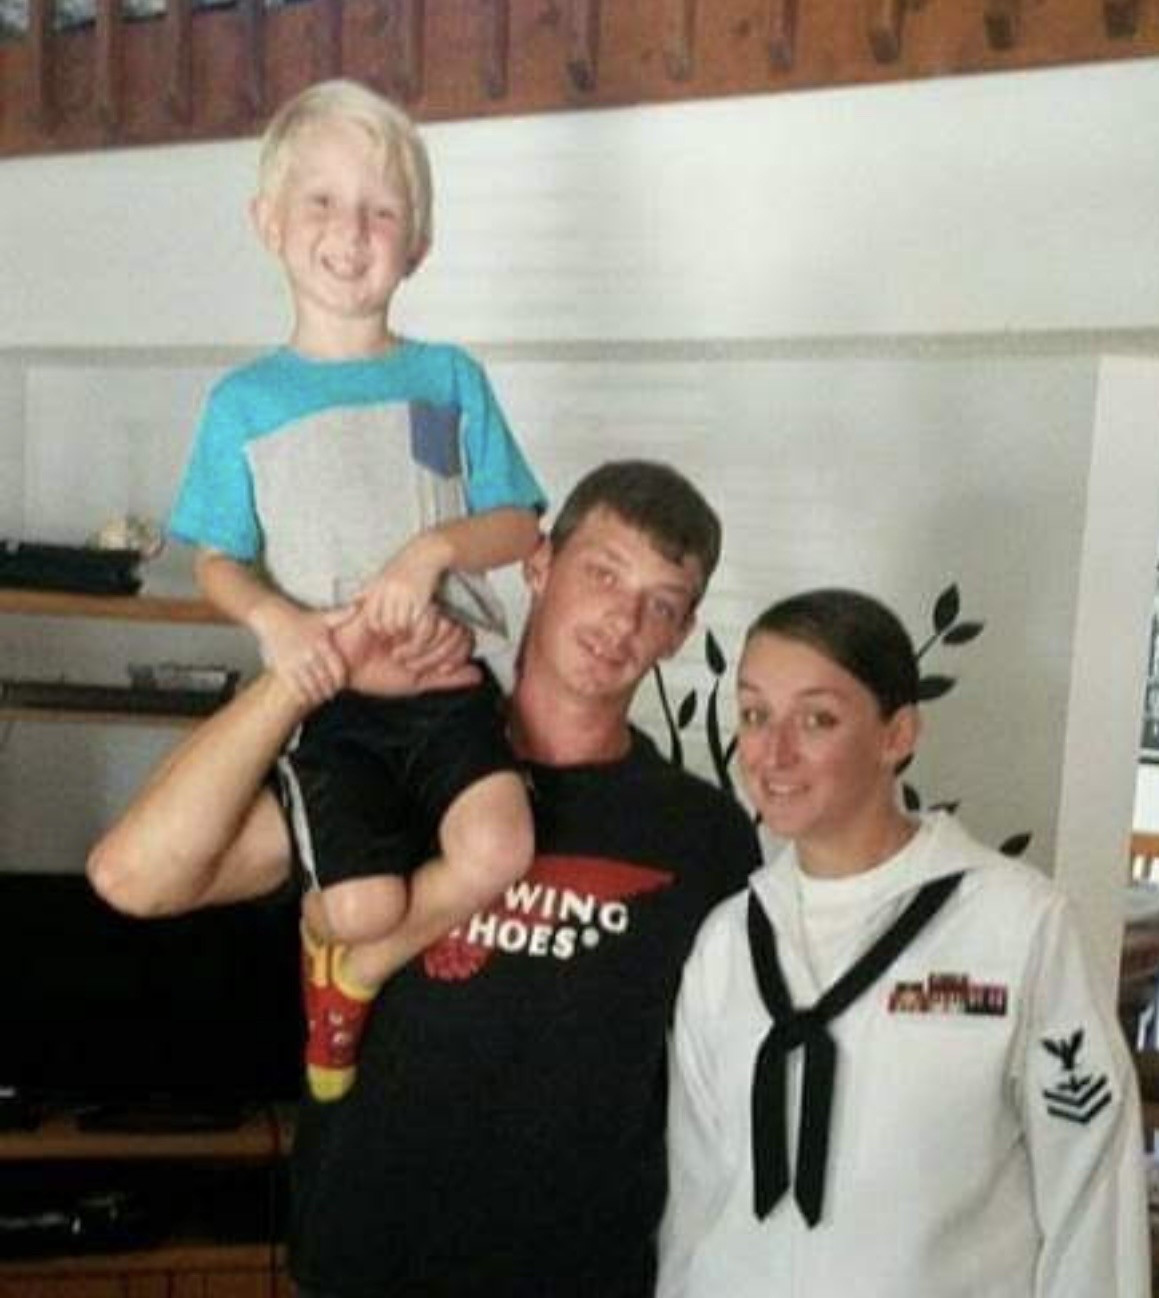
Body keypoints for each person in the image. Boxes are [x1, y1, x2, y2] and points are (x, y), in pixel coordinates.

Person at [89, 459, 762, 1298]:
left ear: (681, 632)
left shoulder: (705, 836)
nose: (623, 619)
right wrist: (305, 670)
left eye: (660, 604)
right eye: (603, 574)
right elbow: (133, 876)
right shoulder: (394, 768)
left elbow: (727, 1094)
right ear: (538, 565)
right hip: (367, 1269)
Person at [167, 78, 547, 1100]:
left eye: (381, 211)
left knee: (501, 846)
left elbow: (518, 521)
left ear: (417, 244)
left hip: (446, 689)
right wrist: (274, 620)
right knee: (360, 903)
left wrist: (431, 551)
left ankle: (361, 975)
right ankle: (344, 943)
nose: (351, 232)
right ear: (269, 222)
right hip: (332, 706)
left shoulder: (449, 377)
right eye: (323, 202)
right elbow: (216, 557)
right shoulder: (243, 403)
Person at [657, 589, 1151, 1298]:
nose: (774, 752)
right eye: (756, 714)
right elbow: (695, 1198)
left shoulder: (1018, 928)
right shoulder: (728, 940)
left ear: (898, 735)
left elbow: (1092, 1189)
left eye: (818, 719)